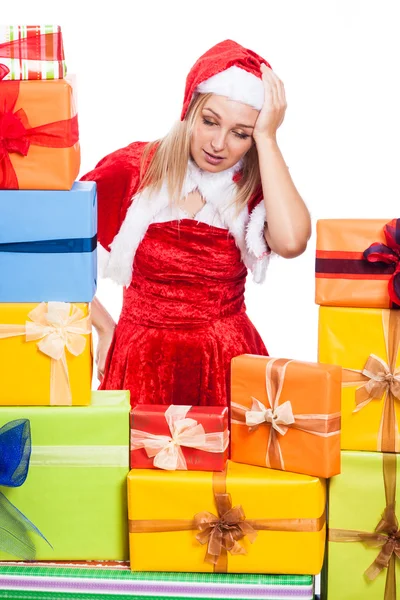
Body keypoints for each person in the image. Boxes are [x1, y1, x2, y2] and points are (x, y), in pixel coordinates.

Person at [82, 39, 311, 407]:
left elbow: (293, 242)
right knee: (137, 462)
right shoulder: (133, 169)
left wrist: (267, 137)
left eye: (241, 133)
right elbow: (52, 240)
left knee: (226, 464)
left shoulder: (255, 185)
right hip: (138, 361)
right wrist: (103, 325)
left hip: (225, 364)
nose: (219, 144)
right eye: (210, 122)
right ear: (189, 108)